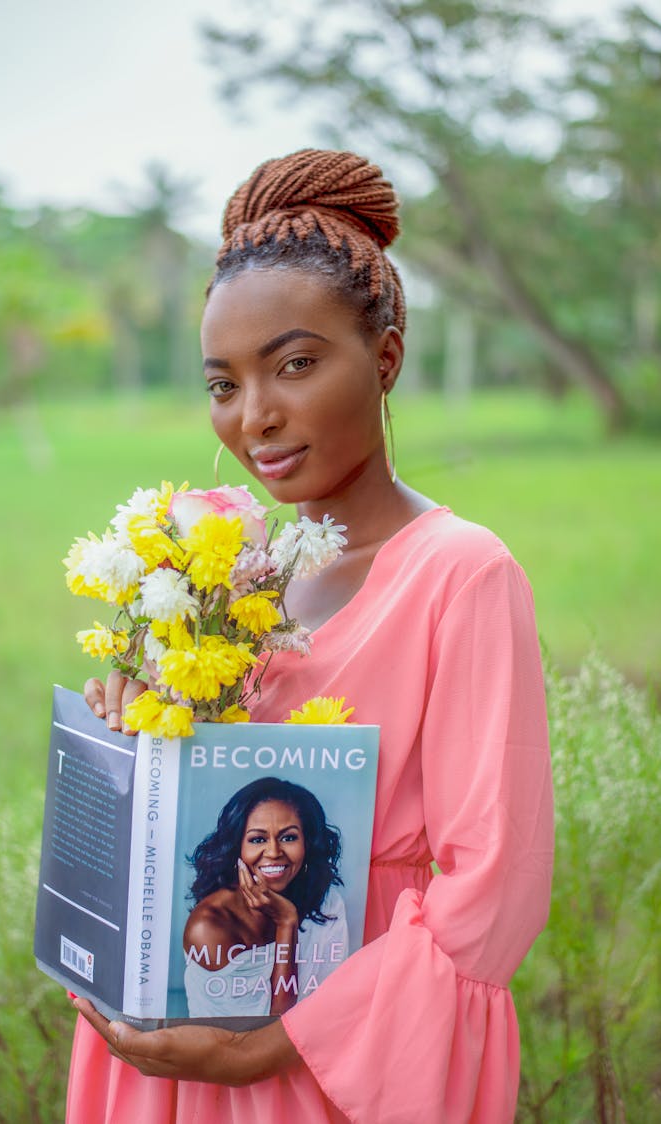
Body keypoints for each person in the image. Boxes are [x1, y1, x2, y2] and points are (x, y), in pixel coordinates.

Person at [69, 148, 554, 1123]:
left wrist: (273, 1048)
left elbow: (490, 895)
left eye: (295, 364)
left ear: (384, 356)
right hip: (177, 1038)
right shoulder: (230, 572)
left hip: (347, 1054)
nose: (256, 417)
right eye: (224, 382)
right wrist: (134, 728)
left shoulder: (461, 573)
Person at [183, 776, 348, 1019]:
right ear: (236, 846)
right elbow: (273, 1028)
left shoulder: (326, 901)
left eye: (288, 837)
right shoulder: (209, 926)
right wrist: (286, 923)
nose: (273, 852)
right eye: (258, 839)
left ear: (308, 842)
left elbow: (331, 1006)